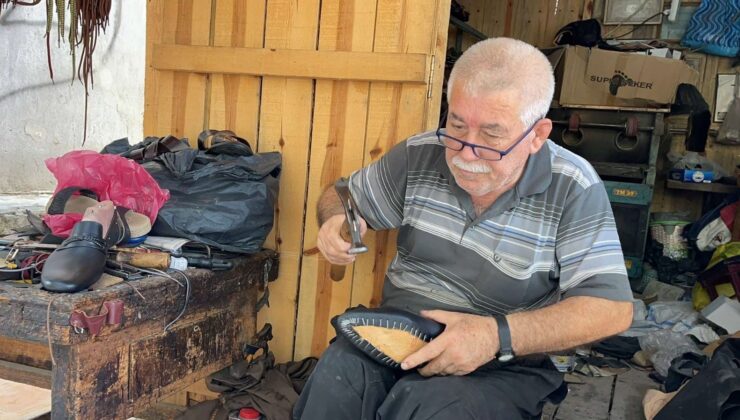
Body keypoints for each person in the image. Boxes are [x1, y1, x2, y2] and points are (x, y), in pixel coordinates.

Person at [293, 37, 634, 420]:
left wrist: (494, 336)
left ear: (537, 135)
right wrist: (336, 219)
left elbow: (612, 310)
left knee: (434, 406)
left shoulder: (572, 186)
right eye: (456, 126)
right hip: (401, 334)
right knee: (338, 375)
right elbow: (342, 197)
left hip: (503, 360)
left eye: (492, 136)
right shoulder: (421, 153)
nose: (466, 153)